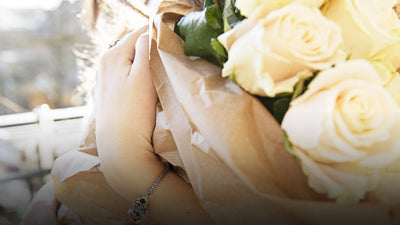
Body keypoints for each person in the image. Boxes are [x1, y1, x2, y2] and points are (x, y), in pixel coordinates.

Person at [21, 0, 214, 224]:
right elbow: (92, 146)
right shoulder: (126, 35)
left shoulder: (240, 31)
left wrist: (131, 167)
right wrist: (49, 195)